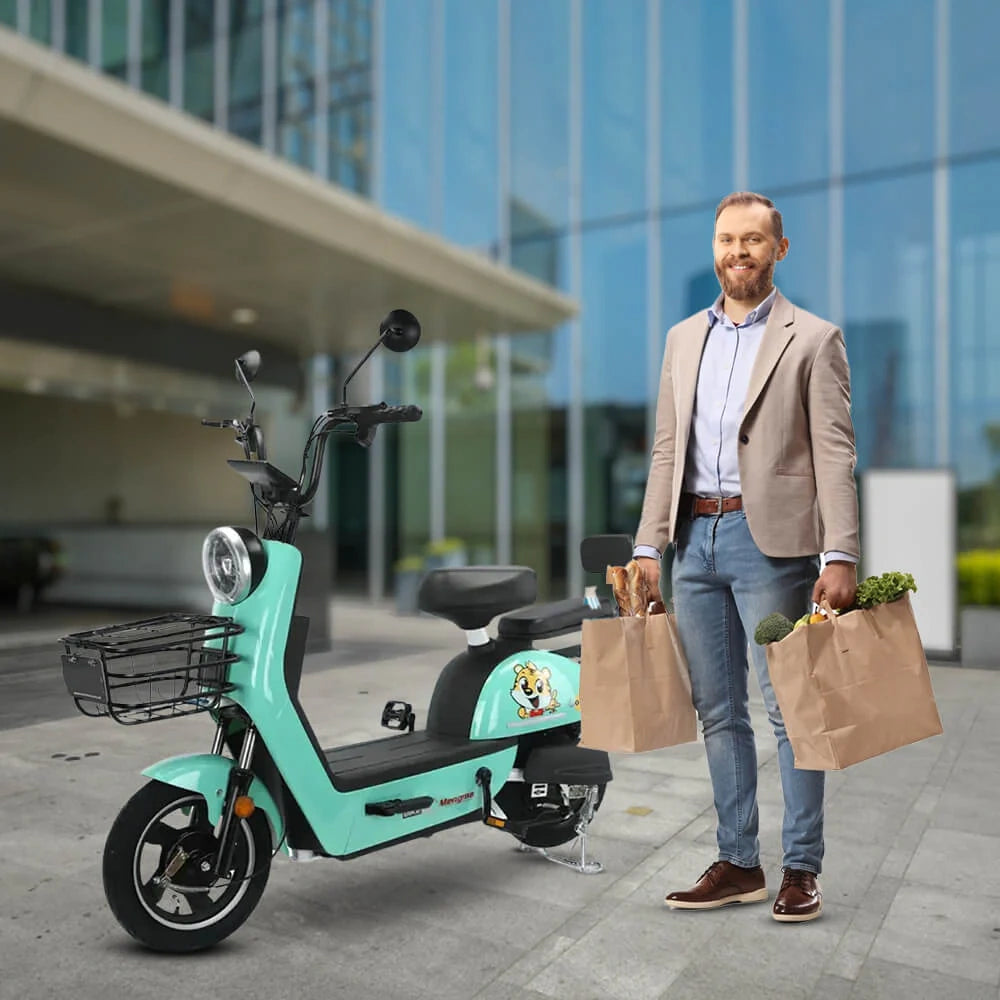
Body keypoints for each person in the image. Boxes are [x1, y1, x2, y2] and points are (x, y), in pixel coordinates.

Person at [634, 191, 860, 923]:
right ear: (715, 248)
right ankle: (738, 862)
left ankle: (801, 868)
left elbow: (835, 452)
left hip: (774, 547)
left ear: (778, 250)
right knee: (719, 712)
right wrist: (648, 546)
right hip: (692, 542)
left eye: (753, 240)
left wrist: (841, 552)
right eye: (727, 239)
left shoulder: (814, 338)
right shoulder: (682, 339)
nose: (739, 251)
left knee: (792, 709)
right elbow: (666, 449)